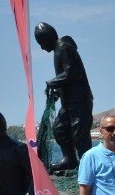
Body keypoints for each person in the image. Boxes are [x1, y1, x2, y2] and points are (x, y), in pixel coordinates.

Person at [34, 22, 93, 171]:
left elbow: (72, 73)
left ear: (47, 39)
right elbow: (67, 79)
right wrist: (57, 91)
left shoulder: (64, 47)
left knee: (80, 135)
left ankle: (87, 166)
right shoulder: (58, 49)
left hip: (79, 101)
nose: (41, 48)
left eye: (41, 43)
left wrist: (52, 82)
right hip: (68, 103)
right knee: (60, 129)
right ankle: (70, 159)